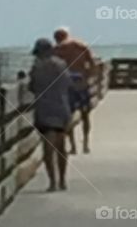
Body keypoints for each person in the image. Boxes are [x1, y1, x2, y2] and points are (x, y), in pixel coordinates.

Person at [29, 38, 72, 191]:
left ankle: (52, 182)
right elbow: (68, 84)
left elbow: (32, 86)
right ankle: (63, 180)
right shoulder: (61, 64)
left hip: (44, 110)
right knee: (61, 147)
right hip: (62, 108)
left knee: (48, 149)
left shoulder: (36, 67)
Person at [52, 27, 96, 154]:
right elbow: (92, 64)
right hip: (82, 85)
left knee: (68, 116)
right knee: (85, 115)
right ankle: (86, 144)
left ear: (56, 38)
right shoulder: (81, 46)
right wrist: (87, 76)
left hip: (67, 87)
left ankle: (73, 146)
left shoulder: (56, 50)